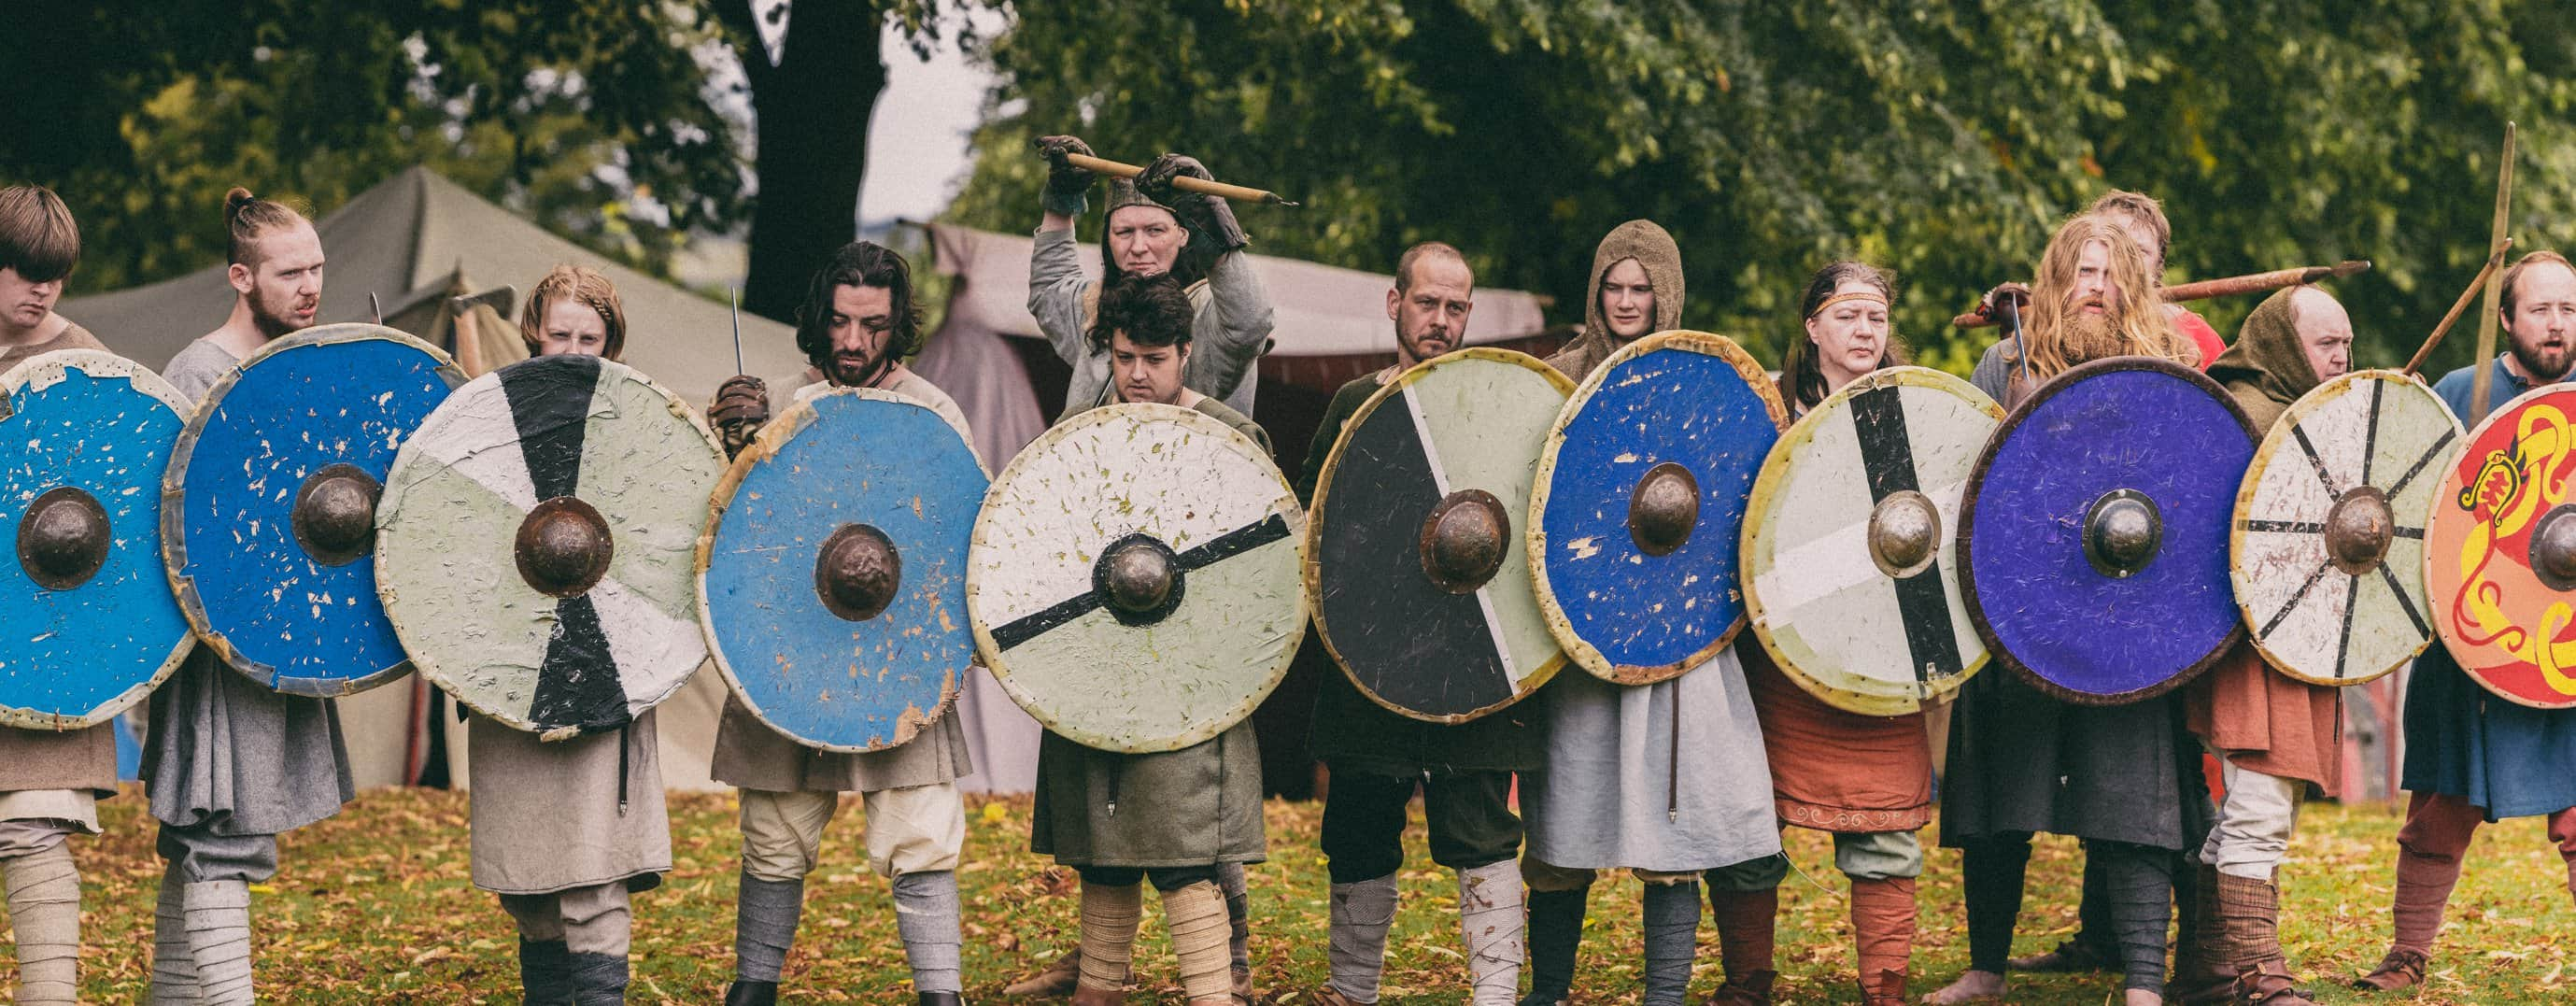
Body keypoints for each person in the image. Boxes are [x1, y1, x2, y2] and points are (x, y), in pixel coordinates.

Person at [1931, 214, 2207, 1006]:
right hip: (2022, 611)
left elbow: (2196, 481)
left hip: (2130, 616)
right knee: (1998, 799)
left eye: (2112, 271)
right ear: (2057, 279)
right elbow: (1966, 483)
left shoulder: (2172, 363)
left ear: (2138, 283)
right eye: (2082, 271)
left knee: (2132, 796)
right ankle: (1986, 967)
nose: (2097, 286)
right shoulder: (2005, 359)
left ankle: (2146, 982)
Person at [1519, 220, 1783, 1006]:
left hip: (1681, 638)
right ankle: (1550, 988)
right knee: (1564, 825)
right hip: (1582, 631)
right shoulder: (1560, 378)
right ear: (1596, 291)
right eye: (1615, 286)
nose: (1627, 301)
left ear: (1666, 294)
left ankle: (1664, 993)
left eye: (1642, 288)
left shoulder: (1700, 375)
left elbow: (1745, 495)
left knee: (1676, 830)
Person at [706, 243, 976, 1006]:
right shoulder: (780, 412)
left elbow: (963, 545)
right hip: (790, 646)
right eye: (841, 322)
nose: (854, 342)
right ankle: (753, 989)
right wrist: (734, 451)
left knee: (920, 827)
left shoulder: (931, 414)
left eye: (874, 325)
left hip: (898, 658)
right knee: (774, 832)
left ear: (900, 326)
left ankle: (940, 994)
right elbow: (729, 541)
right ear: (819, 319)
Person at [1294, 242, 1528, 1006]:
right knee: (1360, 820)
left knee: (1483, 825)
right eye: (1427, 302)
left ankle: (1494, 993)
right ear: (1395, 304)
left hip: (1471, 646)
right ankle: (1351, 987)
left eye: (1456, 306)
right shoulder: (1355, 401)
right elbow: (1316, 527)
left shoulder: (1494, 402)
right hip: (1376, 649)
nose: (1441, 319)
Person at [1024, 274, 1267, 1006]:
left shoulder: (1230, 437)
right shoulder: (1081, 440)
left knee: (1186, 848)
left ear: (1185, 353)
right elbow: (1046, 553)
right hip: (1100, 665)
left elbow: (1258, 577)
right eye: (1124, 357)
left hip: (1193, 677)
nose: (1136, 375)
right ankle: (1097, 991)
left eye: (1154, 359)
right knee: (1103, 848)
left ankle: (1212, 996)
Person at [144, 186, 350, 1006]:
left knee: (205, 835)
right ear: (241, 277)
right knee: (219, 837)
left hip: (284, 637)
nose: (311, 286)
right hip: (221, 646)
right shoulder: (195, 373)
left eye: (318, 269)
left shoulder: (303, 360)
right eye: (291, 272)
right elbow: (177, 527)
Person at [2355, 249, 2576, 992]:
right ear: (2507, 318)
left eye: (2569, 309)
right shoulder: (2461, 389)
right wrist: (2402, 420)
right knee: (2440, 810)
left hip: (2566, 647)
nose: (2556, 322)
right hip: (2473, 635)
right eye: (2541, 308)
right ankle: (2407, 953)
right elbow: (2405, 506)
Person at [1706, 262, 1922, 1006]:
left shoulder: (1915, 409)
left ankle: (1883, 988)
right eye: (1848, 316)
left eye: (1876, 318)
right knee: (1749, 822)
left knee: (1885, 838)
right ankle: (1749, 982)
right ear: (1812, 326)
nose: (1865, 331)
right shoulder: (1768, 414)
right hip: (1782, 657)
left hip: (1882, 659)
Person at [462, 263, 667, 1004]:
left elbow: (669, 535)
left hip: (605, 672)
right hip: (510, 665)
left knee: (594, 877)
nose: (576, 348)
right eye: (562, 334)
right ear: (533, 334)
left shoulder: (639, 426)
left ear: (611, 345)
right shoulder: (488, 423)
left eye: (592, 335)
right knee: (530, 887)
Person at [2158, 285, 2355, 1006]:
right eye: (2327, 343)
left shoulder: (2319, 416)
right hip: (2251, 641)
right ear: (2280, 342)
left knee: (2260, 802)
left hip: (2298, 640)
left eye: (2347, 343)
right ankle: (2258, 977)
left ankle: (2206, 970)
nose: (2342, 357)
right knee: (2259, 806)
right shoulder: (2242, 415)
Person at [0, 183, 114, 1005]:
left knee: (33, 826)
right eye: (23, 271)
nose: (40, 290)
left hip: (49, 636)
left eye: (55, 276)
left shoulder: (89, 365)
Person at [1028, 135, 1271, 417]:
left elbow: (1250, 324)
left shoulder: (1212, 309)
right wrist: (1061, 198)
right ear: (1108, 238)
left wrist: (1211, 217)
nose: (1138, 247)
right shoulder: (1097, 307)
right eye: (1124, 232)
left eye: (1155, 230)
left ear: (1184, 233)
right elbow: (1050, 289)